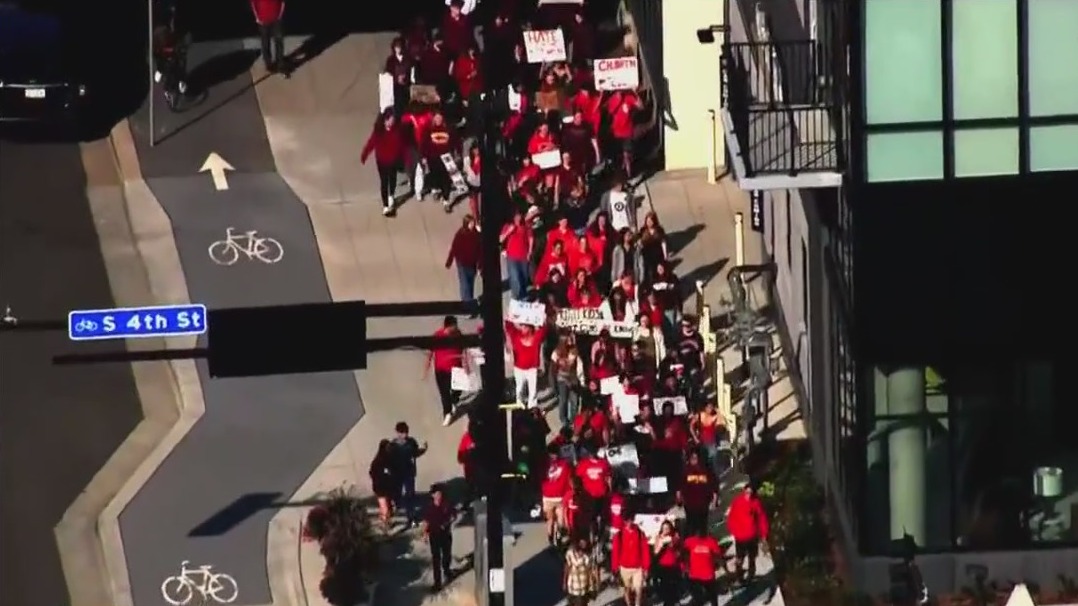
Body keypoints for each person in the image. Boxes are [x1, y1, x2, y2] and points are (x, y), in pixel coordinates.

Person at [361, 110, 407, 215]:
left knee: (392, 179)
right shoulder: (379, 131)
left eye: (393, 119)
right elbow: (371, 143)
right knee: (384, 182)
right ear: (385, 121)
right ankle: (386, 205)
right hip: (382, 161)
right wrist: (364, 155)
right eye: (390, 119)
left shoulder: (397, 131)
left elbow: (402, 146)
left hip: (393, 161)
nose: (392, 121)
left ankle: (391, 195)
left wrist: (405, 159)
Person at [424, 316, 465, 425]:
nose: (456, 328)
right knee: (444, 393)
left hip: (456, 368)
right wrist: (426, 368)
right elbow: (430, 352)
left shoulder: (458, 334)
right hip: (441, 370)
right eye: (454, 326)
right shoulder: (437, 336)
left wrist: (465, 365)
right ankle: (447, 414)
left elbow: (463, 349)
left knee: (458, 389)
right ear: (447, 327)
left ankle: (454, 401)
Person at [726, 481, 770, 583]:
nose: (748, 495)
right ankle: (739, 575)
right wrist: (733, 531)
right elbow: (731, 518)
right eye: (747, 492)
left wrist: (764, 534)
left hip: (752, 536)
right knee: (740, 558)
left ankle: (751, 575)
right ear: (744, 491)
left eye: (750, 493)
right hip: (740, 537)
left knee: (752, 557)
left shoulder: (755, 503)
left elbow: (761, 519)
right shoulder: (737, 502)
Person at [390, 422, 427, 525]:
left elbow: (415, 453)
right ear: (397, 433)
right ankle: (396, 506)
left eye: (406, 432)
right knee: (397, 494)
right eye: (402, 433)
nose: (405, 435)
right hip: (397, 475)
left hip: (409, 473)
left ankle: (411, 516)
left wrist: (423, 450)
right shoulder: (392, 447)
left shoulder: (411, 442)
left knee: (410, 495)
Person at [421, 484, 456, 592]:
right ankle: (437, 582)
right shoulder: (429, 508)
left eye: (440, 494)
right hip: (434, 535)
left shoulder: (447, 505)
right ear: (432, 495)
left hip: (445, 534)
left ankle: (447, 570)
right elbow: (426, 522)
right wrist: (425, 535)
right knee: (436, 559)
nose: (439, 496)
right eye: (436, 494)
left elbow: (454, 516)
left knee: (446, 555)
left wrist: (447, 523)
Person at [505, 320, 547, 409]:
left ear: (530, 328)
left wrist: (542, 319)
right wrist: (511, 315)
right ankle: (519, 405)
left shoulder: (536, 337)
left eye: (525, 326)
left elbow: (543, 330)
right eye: (522, 326)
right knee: (519, 388)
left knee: (533, 390)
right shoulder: (516, 335)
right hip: (519, 368)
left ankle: (532, 406)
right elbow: (509, 326)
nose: (522, 327)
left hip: (532, 369)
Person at [610, 517, 650, 606]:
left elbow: (645, 551)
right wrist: (614, 568)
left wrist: (646, 567)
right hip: (624, 567)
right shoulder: (619, 535)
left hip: (637, 567)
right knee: (626, 589)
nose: (629, 522)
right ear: (624, 521)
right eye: (627, 520)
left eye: (630, 520)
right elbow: (615, 552)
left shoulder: (640, 533)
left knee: (638, 589)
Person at [678, 449, 718, 537]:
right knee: (691, 526)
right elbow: (679, 487)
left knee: (703, 526)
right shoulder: (685, 471)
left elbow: (714, 487)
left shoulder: (707, 471)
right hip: (689, 505)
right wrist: (679, 500)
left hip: (703, 504)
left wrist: (714, 502)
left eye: (696, 458)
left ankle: (702, 541)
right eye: (692, 458)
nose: (694, 460)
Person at [445, 215, 482, 308]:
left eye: (473, 222)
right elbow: (454, 248)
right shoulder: (460, 234)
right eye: (471, 223)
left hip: (472, 263)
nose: (473, 224)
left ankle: (469, 302)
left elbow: (480, 250)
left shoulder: (476, 234)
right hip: (462, 264)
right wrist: (449, 261)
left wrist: (480, 265)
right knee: (465, 285)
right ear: (466, 224)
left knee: (470, 284)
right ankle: (466, 306)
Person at [682, 525, 723, 606]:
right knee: (698, 598)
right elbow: (683, 554)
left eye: (702, 531)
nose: (699, 533)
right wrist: (685, 567)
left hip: (708, 574)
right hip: (694, 575)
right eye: (697, 531)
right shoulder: (689, 541)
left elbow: (718, 555)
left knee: (712, 596)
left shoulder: (711, 541)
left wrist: (720, 564)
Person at [541, 446, 572, 545]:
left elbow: (568, 480)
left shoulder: (564, 465)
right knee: (550, 519)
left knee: (560, 520)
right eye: (551, 454)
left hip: (560, 497)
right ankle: (550, 538)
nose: (553, 456)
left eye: (554, 453)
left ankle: (557, 538)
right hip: (548, 497)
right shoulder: (544, 465)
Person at [500, 211, 533, 300]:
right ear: (513, 218)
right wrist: (509, 231)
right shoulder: (508, 226)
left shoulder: (526, 225)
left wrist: (530, 252)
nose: (518, 219)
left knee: (524, 276)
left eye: (520, 217)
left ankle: (524, 294)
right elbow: (501, 239)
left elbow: (530, 238)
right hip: (512, 256)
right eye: (517, 217)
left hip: (524, 255)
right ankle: (516, 297)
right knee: (515, 277)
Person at [250, 0, 286, 74]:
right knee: (266, 42)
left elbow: (282, 2)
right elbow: (253, 4)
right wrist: (257, 18)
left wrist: (280, 15)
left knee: (278, 41)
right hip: (263, 20)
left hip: (276, 19)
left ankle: (280, 63)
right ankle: (269, 64)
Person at [369, 439, 399, 528]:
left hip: (387, 487)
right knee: (385, 507)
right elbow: (372, 473)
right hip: (380, 488)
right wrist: (383, 475)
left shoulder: (389, 459)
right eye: (388, 447)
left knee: (387, 507)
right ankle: (385, 524)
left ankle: (385, 520)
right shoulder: (378, 461)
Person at [563, 534, 599, 606]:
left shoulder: (588, 556)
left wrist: (595, 584)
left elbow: (592, 571)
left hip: (582, 588)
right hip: (572, 586)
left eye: (585, 544)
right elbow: (567, 567)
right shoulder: (570, 553)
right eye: (581, 543)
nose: (583, 545)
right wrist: (564, 581)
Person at [653, 520, 683, 606]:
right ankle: (667, 601)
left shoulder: (674, 537)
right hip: (663, 565)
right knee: (664, 585)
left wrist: (672, 543)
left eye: (667, 528)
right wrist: (661, 545)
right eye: (664, 528)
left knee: (674, 585)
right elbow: (655, 552)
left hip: (673, 565)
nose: (666, 530)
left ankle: (673, 601)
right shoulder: (658, 537)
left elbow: (679, 550)